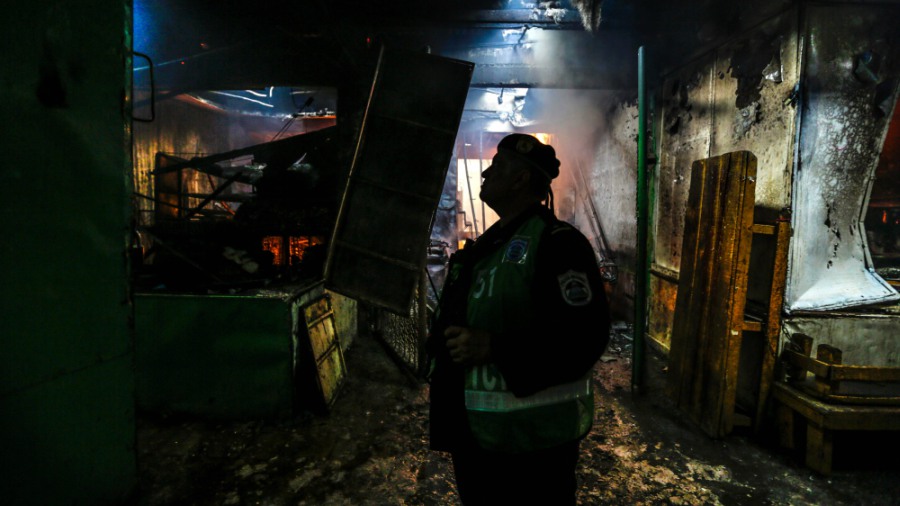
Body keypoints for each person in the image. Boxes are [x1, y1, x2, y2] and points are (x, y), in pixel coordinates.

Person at [425, 133, 611, 505]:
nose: (485, 174)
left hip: (533, 447)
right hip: (477, 440)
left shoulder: (559, 244)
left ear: (521, 179)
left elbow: (583, 338)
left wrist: (493, 347)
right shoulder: (484, 249)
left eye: (497, 166)